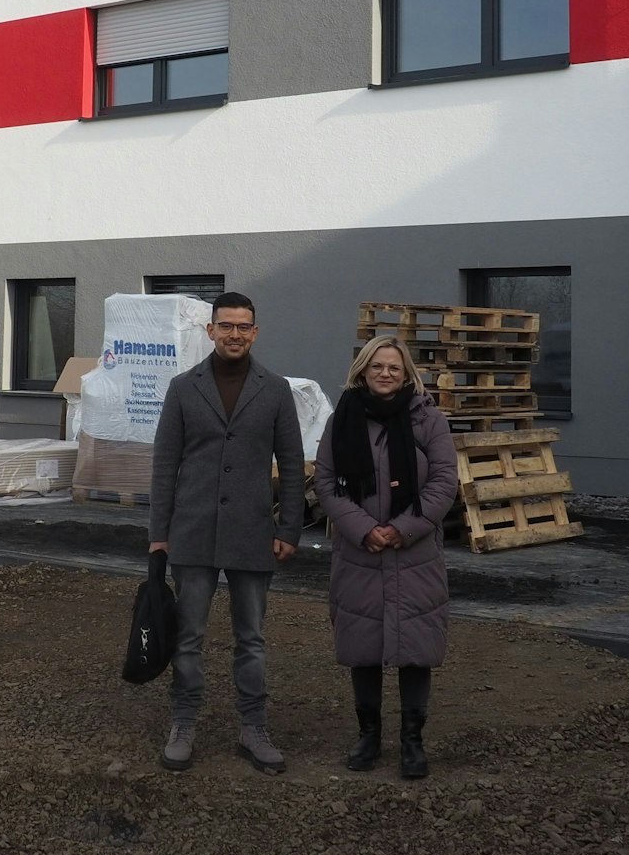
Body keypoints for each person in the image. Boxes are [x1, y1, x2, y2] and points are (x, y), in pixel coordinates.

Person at [149, 291, 306, 774]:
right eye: (226, 326)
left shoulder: (276, 389)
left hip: (252, 532)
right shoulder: (182, 388)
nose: (234, 334)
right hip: (192, 532)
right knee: (189, 635)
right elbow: (165, 464)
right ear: (210, 330)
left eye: (244, 327)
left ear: (254, 333)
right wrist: (159, 532)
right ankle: (183, 723)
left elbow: (295, 464)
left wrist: (290, 527)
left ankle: (254, 727)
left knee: (251, 638)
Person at [313, 334, 457, 779]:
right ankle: (369, 737)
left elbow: (444, 482)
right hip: (360, 555)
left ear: (406, 371)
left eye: (394, 367)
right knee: (364, 647)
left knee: (415, 648)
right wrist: (362, 529)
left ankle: (412, 742)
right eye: (377, 366)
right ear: (362, 370)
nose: (386, 374)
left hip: (414, 554)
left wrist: (403, 529)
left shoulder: (428, 420)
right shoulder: (342, 420)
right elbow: (325, 481)